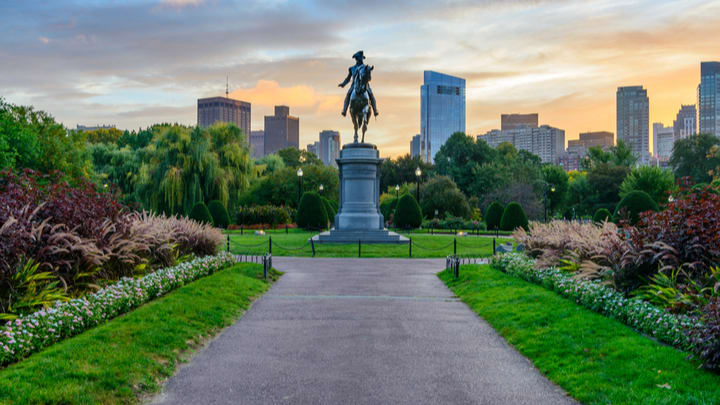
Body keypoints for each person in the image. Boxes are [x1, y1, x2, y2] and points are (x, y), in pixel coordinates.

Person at [339, 50, 378, 117]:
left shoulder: (366, 68)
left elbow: (369, 78)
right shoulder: (352, 68)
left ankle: (375, 110)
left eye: (362, 58)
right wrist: (343, 84)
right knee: (348, 94)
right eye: (360, 58)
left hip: (365, 85)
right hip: (354, 85)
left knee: (371, 95)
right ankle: (344, 110)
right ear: (356, 58)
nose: (361, 59)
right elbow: (348, 78)